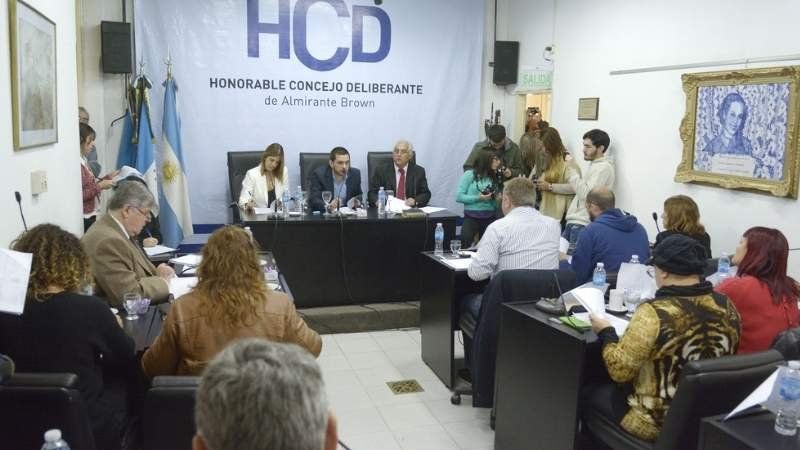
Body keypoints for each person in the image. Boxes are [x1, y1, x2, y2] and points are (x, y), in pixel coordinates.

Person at [587, 234, 740, 441]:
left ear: (664, 271)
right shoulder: (727, 306)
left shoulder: (654, 313)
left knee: (588, 391)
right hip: (702, 419)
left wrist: (606, 331)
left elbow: (619, 371)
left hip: (654, 421)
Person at [0, 224, 139, 450]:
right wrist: (115, 326)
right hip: (87, 427)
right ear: (74, 263)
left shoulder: (5, 312)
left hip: (17, 426)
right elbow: (126, 354)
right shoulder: (91, 309)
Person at [141, 226, 321, 377]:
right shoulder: (279, 305)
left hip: (203, 405)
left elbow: (152, 368)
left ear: (206, 263)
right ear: (254, 262)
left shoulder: (182, 309)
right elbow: (312, 348)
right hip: (264, 404)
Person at [192, 339, 337, 450]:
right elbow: (313, 343)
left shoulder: (183, 313)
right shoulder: (281, 309)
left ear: (199, 447)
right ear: (330, 437)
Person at [463, 177, 560, 314]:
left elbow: (477, 274)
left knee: (464, 300)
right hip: (542, 308)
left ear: (507, 201)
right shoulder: (554, 225)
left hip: (504, 307)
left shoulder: (497, 228)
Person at [82, 180, 175, 306]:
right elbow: (129, 295)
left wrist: (158, 272)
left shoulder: (118, 231)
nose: (148, 219)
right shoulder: (108, 241)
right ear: (127, 210)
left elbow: (141, 273)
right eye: (145, 213)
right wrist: (163, 281)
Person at [716, 227, 799, 354]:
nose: (737, 248)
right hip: (780, 362)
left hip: (744, 363)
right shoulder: (790, 286)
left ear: (754, 252)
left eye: (741, 243)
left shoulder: (736, 287)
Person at [567, 188, 650, 285]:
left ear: (593, 207)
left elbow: (578, 275)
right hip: (635, 288)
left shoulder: (589, 232)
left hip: (599, 289)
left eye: (587, 207)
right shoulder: (640, 229)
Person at [561, 129, 615, 254]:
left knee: (571, 262)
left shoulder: (604, 168)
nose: (583, 150)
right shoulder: (595, 165)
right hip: (574, 222)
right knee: (560, 260)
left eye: (588, 146)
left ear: (600, 148)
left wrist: (571, 170)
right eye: (584, 145)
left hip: (581, 224)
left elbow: (587, 196)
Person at [533, 127, 581, 222]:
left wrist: (550, 187)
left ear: (552, 145)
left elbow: (575, 187)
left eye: (544, 146)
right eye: (541, 146)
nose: (542, 150)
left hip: (560, 215)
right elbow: (534, 175)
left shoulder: (567, 160)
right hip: (545, 210)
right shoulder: (545, 158)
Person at [456, 151, 501, 247]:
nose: (498, 162)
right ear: (486, 160)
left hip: (489, 216)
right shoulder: (469, 175)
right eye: (495, 159)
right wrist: (478, 198)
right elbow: (459, 197)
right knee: (465, 241)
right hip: (471, 216)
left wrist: (497, 200)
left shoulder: (494, 176)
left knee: (488, 246)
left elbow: (495, 205)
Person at [367, 140, 431, 207]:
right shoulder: (381, 171)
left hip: (409, 210)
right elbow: (372, 193)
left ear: (409, 156)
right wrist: (377, 201)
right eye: (396, 151)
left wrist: (415, 201)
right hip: (388, 209)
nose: (399, 154)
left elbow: (426, 194)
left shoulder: (418, 171)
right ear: (393, 154)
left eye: (403, 152)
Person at [80, 123, 117, 232]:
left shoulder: (84, 160)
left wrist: (107, 177)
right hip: (84, 216)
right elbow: (80, 195)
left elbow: (90, 185)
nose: (93, 144)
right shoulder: (77, 165)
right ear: (80, 140)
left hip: (91, 213)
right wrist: (100, 186)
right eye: (90, 140)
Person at [309, 147, 363, 213]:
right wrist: (329, 206)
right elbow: (314, 200)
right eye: (340, 163)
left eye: (347, 162)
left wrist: (357, 202)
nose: (344, 166)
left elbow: (359, 196)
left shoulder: (355, 174)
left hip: (348, 215)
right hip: (327, 216)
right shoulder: (319, 175)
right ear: (331, 163)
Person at [238, 143, 290, 210]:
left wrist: (282, 203)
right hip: (259, 215)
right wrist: (248, 205)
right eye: (271, 160)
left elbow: (286, 195)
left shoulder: (283, 171)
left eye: (277, 162)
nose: (274, 165)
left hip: (278, 214)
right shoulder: (252, 174)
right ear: (265, 157)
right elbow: (243, 201)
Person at [702, 92, 753, 156]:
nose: (735, 121)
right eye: (732, 115)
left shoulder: (746, 146)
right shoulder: (711, 146)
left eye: (739, 116)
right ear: (724, 114)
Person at [79, 106, 102, 177]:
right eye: (78, 118)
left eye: (85, 119)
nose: (81, 121)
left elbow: (96, 168)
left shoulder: (90, 145)